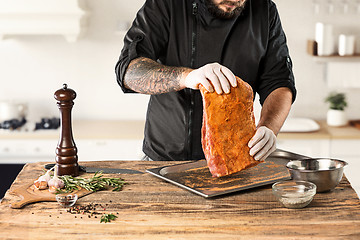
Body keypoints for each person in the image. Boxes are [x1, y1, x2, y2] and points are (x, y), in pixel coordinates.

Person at [115, 0, 296, 162]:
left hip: (234, 162)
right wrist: (186, 77)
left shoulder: (265, 10)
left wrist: (269, 127)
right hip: (165, 160)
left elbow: (279, 82)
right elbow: (129, 72)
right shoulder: (166, 4)